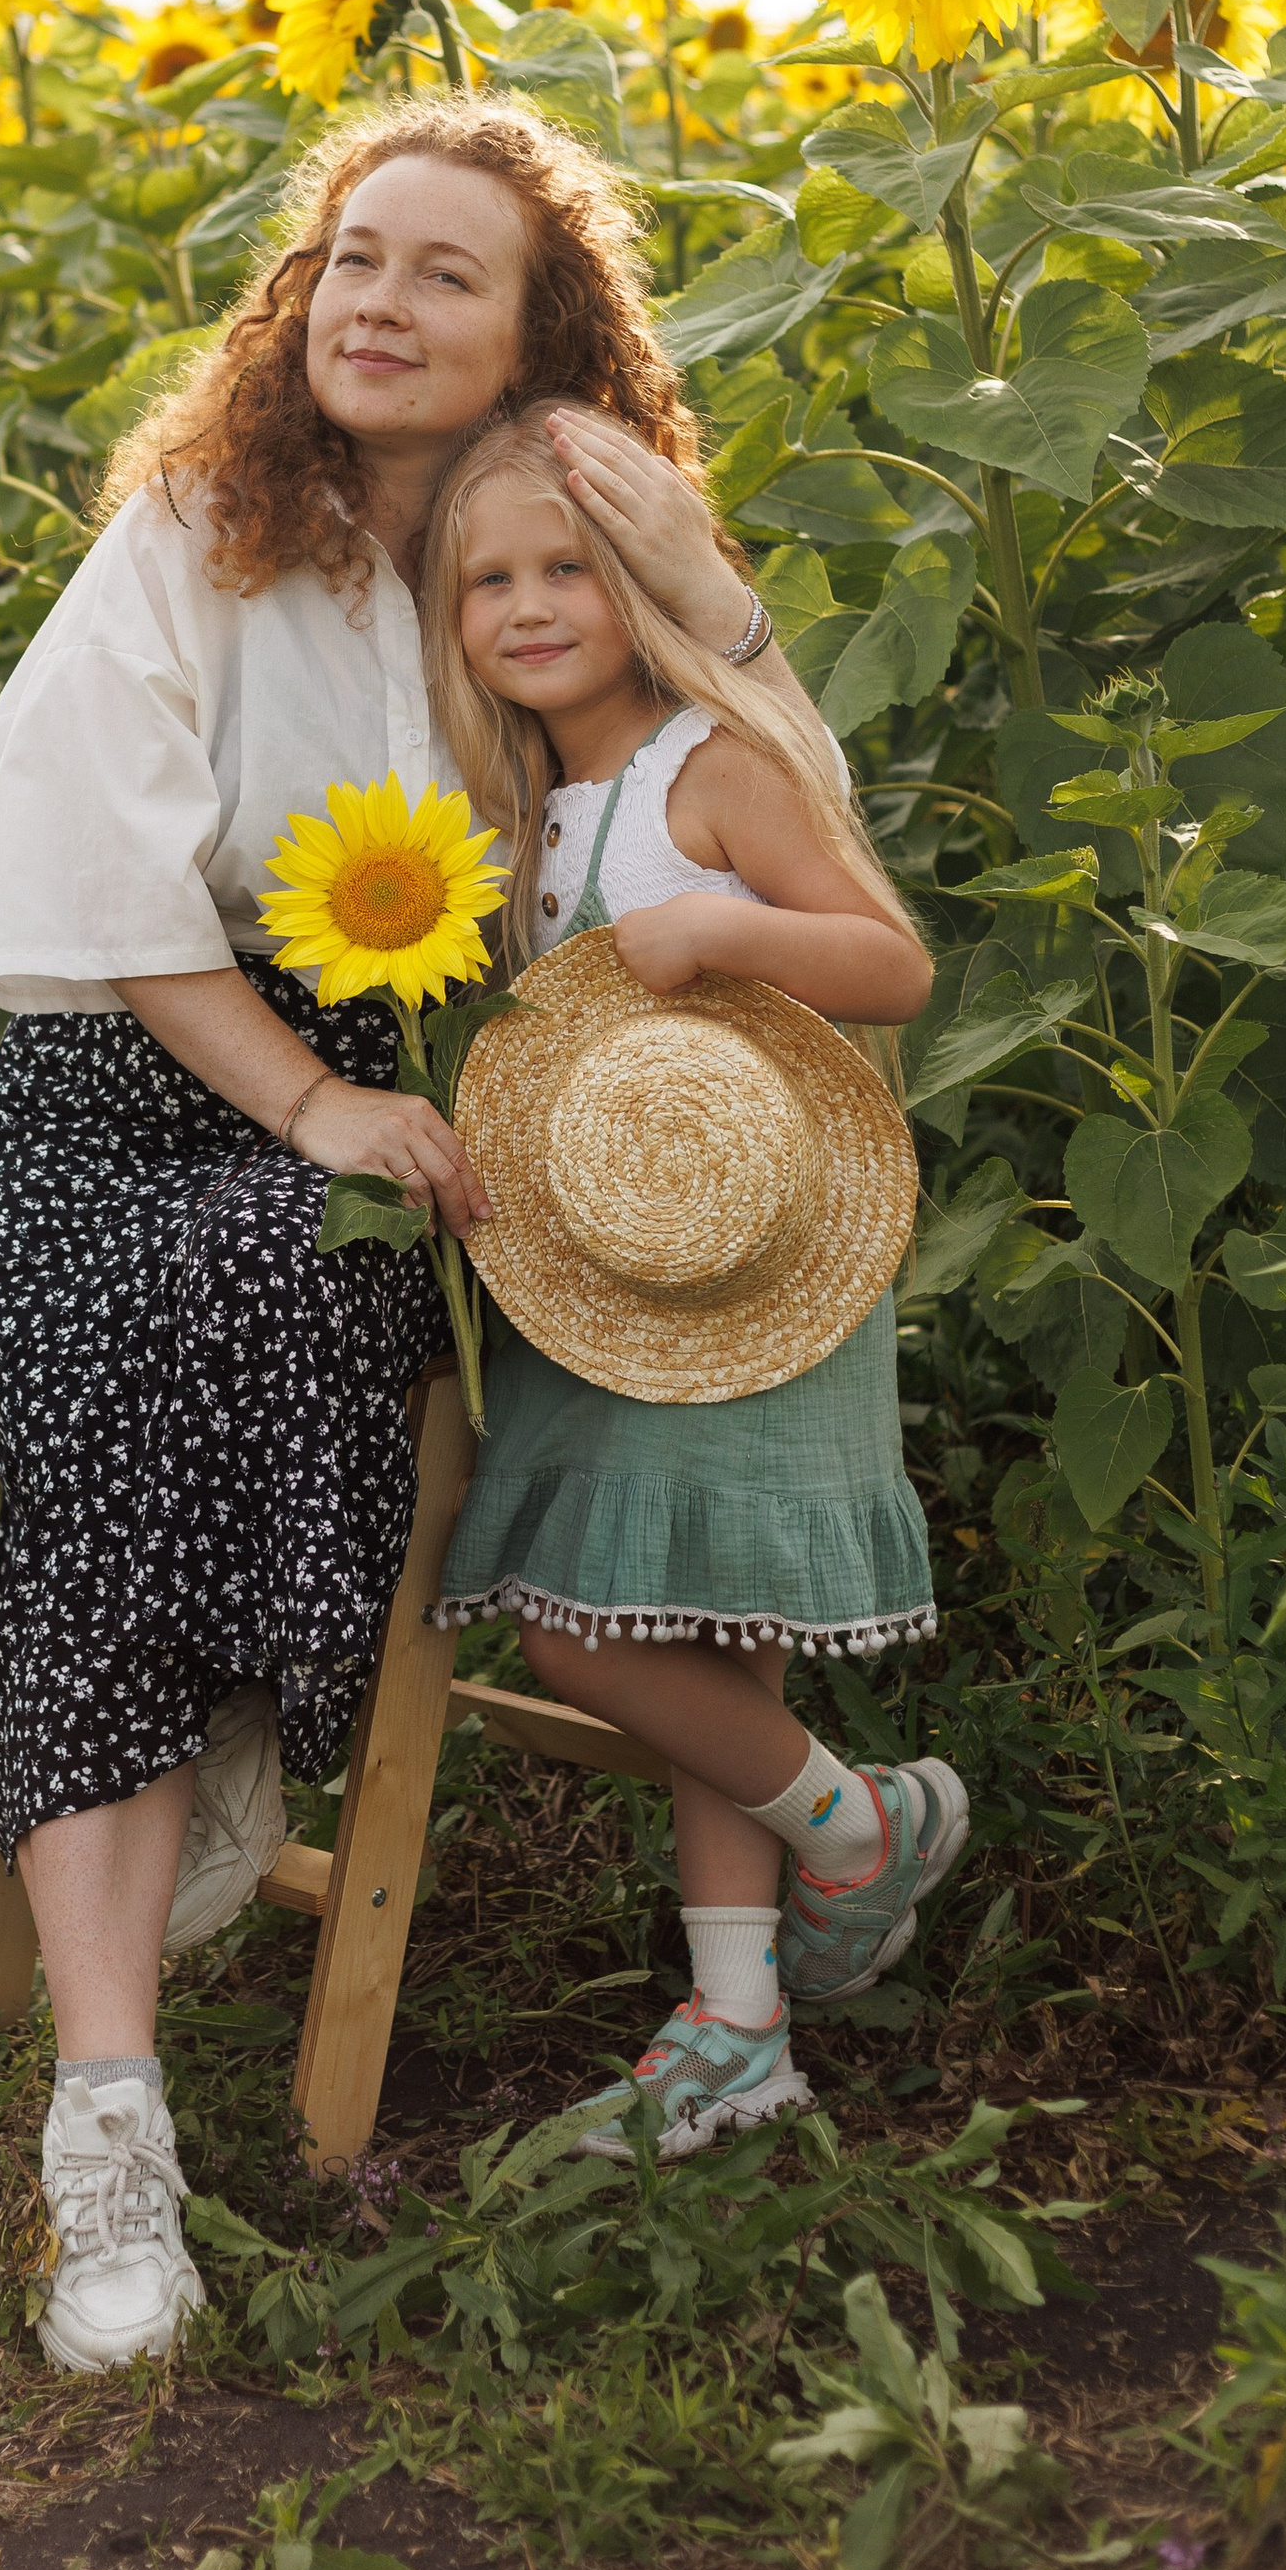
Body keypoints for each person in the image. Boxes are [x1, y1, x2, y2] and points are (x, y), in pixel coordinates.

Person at [0, 95, 807, 2370]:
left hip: (446, 1114)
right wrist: (316, 1095)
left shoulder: (559, 564)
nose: (373, 301)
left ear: (543, 337)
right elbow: (106, 893)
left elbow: (784, 838)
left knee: (218, 1337)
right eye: (347, 258)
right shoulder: (194, 533)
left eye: (443, 270)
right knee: (199, 1286)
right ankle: (109, 2120)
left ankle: (107, 2089)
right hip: (131, 1097)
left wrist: (704, 600)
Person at [420, 403, 964, 2160]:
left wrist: (725, 927)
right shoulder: (519, 817)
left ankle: (853, 1826)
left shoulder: (712, 764)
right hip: (606, 1277)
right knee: (685, 1634)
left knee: (584, 1629)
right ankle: (740, 2028)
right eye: (486, 579)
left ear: (637, 578)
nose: (527, 603)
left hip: (755, 1262)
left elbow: (891, 962)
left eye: (565, 565)